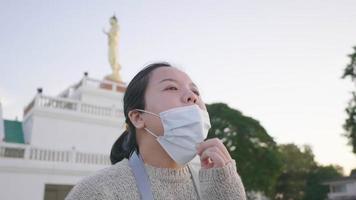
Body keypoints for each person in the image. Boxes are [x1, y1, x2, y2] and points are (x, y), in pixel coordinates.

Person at [66, 62, 246, 200]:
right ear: (138, 117)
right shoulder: (97, 191)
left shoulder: (216, 180)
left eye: (195, 91)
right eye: (171, 88)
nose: (192, 97)